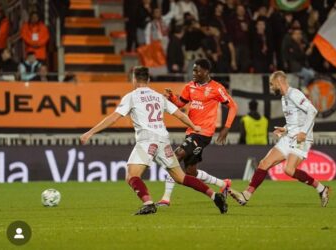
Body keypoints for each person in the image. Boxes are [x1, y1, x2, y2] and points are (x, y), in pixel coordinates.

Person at [80, 66, 228, 215]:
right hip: (163, 141)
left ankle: (148, 203)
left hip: (147, 140)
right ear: (149, 80)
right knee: (181, 177)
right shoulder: (158, 96)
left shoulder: (131, 97)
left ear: (134, 79)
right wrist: (193, 126)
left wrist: (90, 132)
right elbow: (179, 114)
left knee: (132, 175)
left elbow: (113, 118)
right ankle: (214, 195)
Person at [228, 71, 330, 207]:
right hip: (289, 137)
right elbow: (296, 119)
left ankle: (322, 189)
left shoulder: (294, 94)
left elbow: (312, 111)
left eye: (271, 84)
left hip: (301, 139)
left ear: (278, 82)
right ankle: (246, 195)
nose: (271, 88)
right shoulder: (284, 98)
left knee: (289, 170)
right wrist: (286, 128)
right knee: (264, 163)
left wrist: (304, 132)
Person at [157, 58, 238, 206]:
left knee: (176, 156)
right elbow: (181, 103)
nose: (193, 73)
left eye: (197, 70)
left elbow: (233, 106)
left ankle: (166, 198)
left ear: (206, 71)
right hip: (192, 131)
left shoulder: (217, 88)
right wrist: (172, 97)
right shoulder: (189, 87)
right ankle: (223, 184)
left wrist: (226, 128)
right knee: (190, 172)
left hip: (203, 133)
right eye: (193, 70)